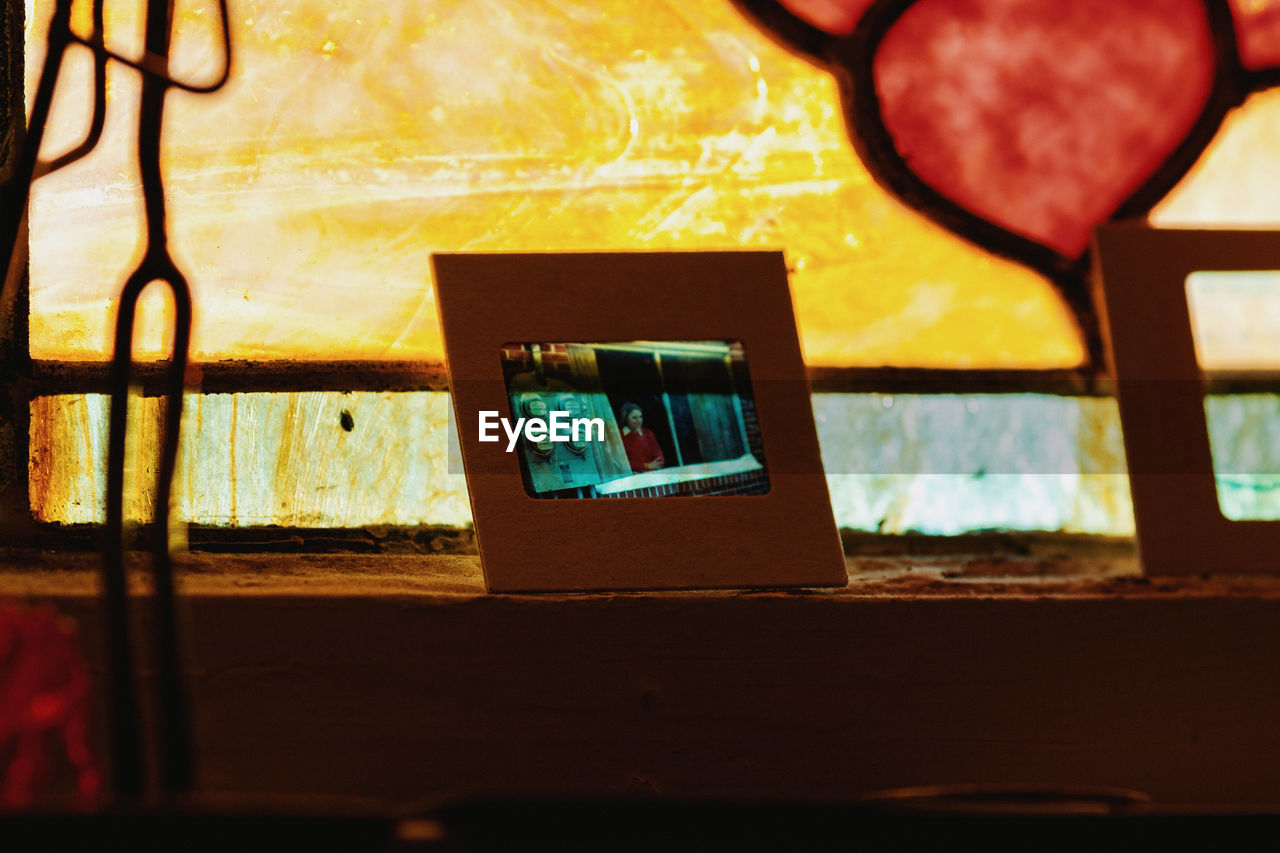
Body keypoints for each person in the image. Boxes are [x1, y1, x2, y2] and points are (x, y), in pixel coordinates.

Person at [619, 402, 665, 473]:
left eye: (640, 417)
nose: (639, 420)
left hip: (652, 475)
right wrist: (645, 466)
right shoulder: (619, 436)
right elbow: (621, 463)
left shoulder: (648, 433)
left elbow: (660, 459)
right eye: (634, 418)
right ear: (626, 418)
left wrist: (648, 470)